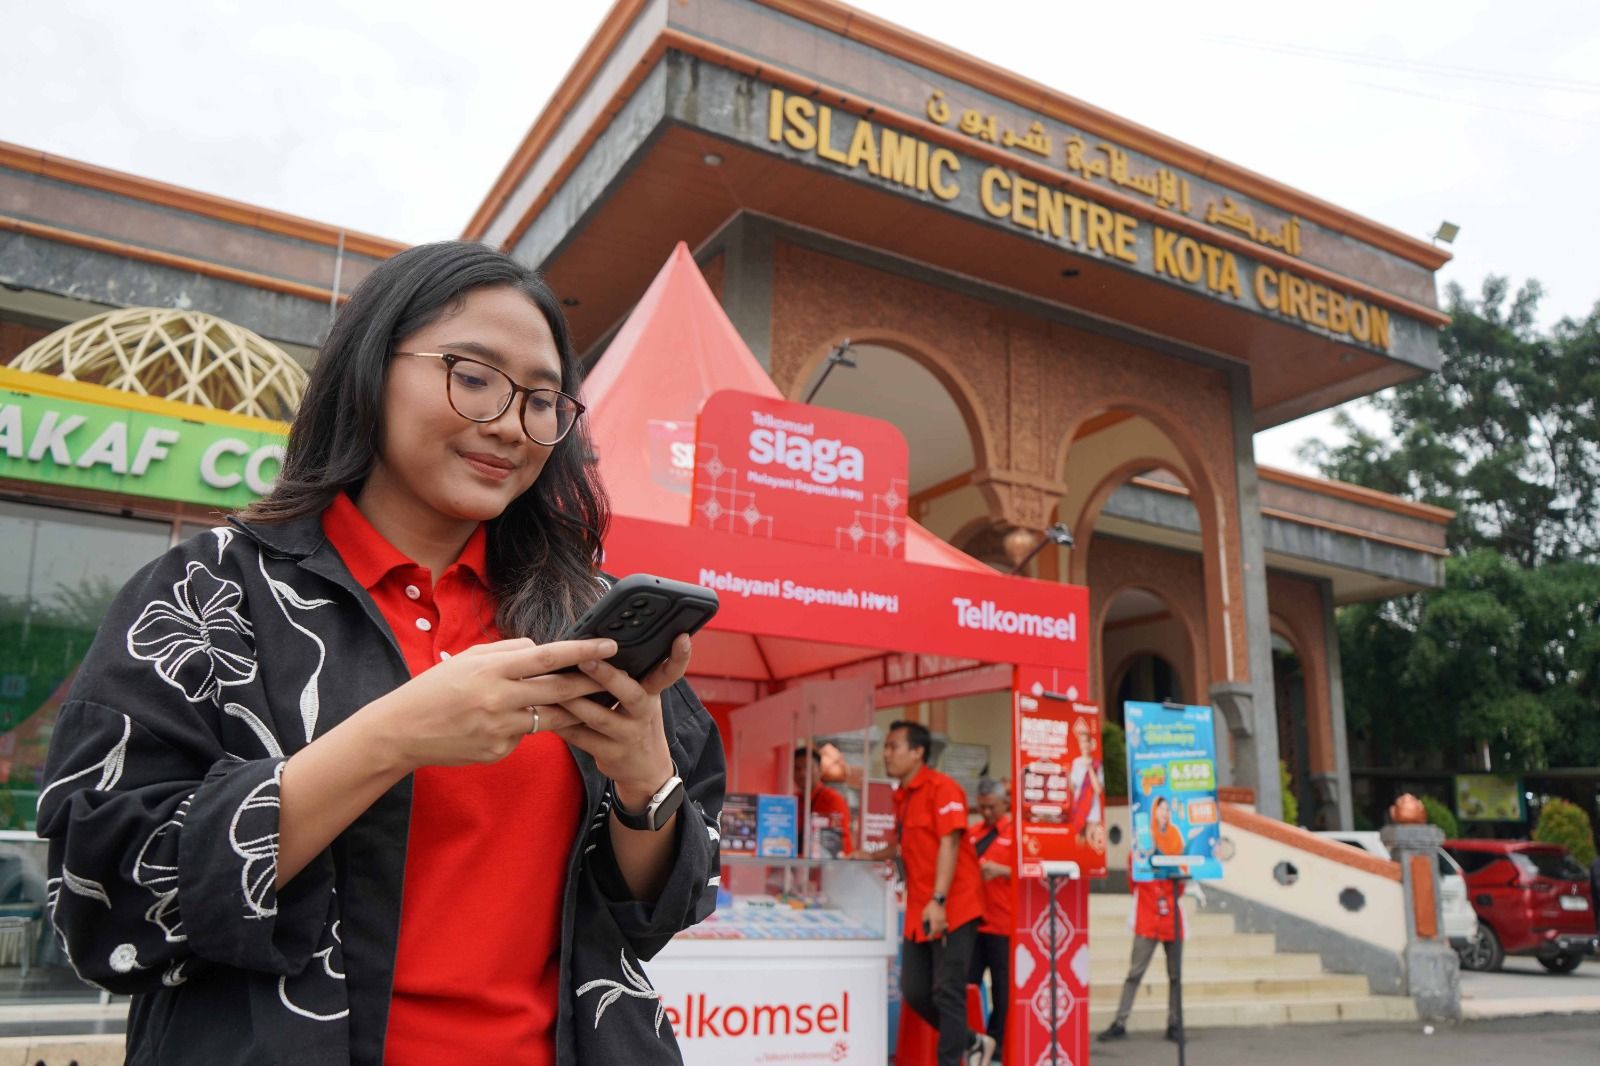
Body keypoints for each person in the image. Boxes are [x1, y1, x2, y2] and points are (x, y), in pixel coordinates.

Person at [35, 241, 725, 1066]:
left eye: (544, 400)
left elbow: (660, 912)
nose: (511, 424)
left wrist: (647, 782)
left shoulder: (580, 618)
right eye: (475, 376)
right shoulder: (208, 592)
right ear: (370, 366)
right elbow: (107, 899)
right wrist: (390, 738)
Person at [877, 721, 995, 1066]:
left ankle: (953, 1060)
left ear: (918, 752)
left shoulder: (943, 788)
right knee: (915, 991)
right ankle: (973, 1042)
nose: (886, 754)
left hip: (952, 906)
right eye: (886, 747)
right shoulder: (903, 796)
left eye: (894, 746)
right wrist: (867, 855)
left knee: (948, 991)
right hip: (920, 908)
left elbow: (950, 842)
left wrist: (939, 900)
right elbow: (905, 845)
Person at [1098, 876, 1186, 1043]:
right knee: (1134, 974)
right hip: (1147, 921)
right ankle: (1120, 1021)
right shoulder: (1139, 860)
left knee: (1175, 976)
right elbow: (1133, 884)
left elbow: (1180, 888)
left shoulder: (1176, 859)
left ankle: (1174, 1023)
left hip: (1171, 921)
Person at [966, 778, 1014, 1057]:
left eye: (991, 807)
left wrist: (1002, 870)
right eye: (981, 807)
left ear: (1004, 804)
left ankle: (997, 1044)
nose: (986, 812)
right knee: (968, 985)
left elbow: (1031, 873)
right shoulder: (973, 833)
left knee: (1002, 992)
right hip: (974, 923)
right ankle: (972, 1040)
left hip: (1003, 925)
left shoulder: (1015, 835)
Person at [794, 745, 853, 857]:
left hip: (831, 863)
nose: (802, 773)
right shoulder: (794, 801)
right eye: (797, 768)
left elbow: (839, 842)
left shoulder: (832, 799)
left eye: (807, 768)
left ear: (820, 770)